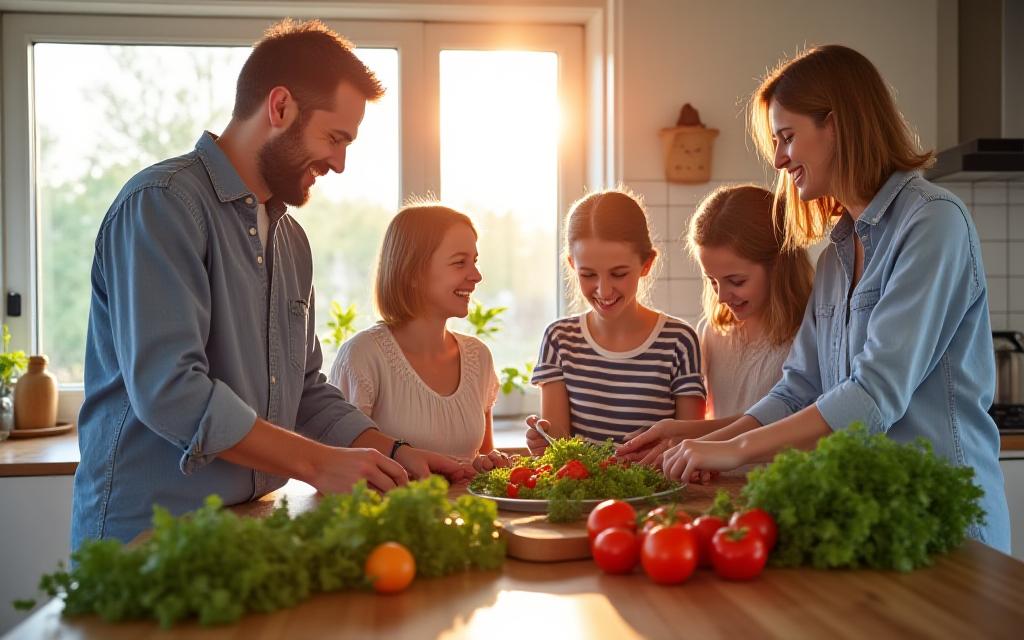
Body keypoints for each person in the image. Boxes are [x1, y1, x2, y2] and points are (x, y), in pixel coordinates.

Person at [72, 19, 466, 551]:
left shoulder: (289, 240)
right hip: (146, 538)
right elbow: (172, 392)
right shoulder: (163, 204)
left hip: (246, 529)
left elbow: (302, 390)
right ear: (279, 107)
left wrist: (395, 454)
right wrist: (319, 464)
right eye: (334, 137)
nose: (340, 163)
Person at [659, 44, 1010, 550]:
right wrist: (692, 443)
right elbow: (798, 390)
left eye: (787, 137)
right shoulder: (834, 257)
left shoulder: (933, 222)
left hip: (945, 523)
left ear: (837, 124)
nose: (779, 158)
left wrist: (735, 449)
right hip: (869, 519)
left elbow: (873, 396)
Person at [616, 185, 813, 467]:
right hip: (725, 488)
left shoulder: (809, 332)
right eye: (712, 280)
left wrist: (687, 435)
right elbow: (722, 420)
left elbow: (789, 421)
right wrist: (677, 431)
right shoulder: (715, 331)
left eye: (737, 281)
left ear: (779, 266)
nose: (721, 296)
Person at [329, 203, 509, 473]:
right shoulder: (362, 356)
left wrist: (490, 462)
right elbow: (340, 466)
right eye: (460, 262)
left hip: (465, 514)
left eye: (475, 261)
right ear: (412, 272)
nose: (476, 276)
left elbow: (482, 459)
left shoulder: (479, 356)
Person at [524, 188, 706, 454]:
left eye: (618, 274)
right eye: (588, 274)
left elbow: (689, 446)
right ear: (572, 265)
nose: (604, 290)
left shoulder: (679, 341)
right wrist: (544, 441)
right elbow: (560, 448)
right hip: (583, 493)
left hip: (659, 493)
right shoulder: (559, 339)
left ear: (646, 264)